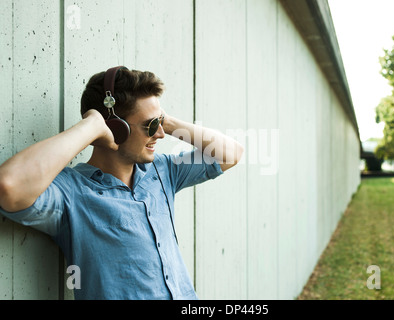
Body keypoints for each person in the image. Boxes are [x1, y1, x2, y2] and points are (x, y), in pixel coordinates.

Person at [0, 66, 244, 300]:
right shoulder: (72, 193)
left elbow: (231, 153)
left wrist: (164, 120)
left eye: (159, 124)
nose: (160, 134)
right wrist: (91, 127)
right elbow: (9, 185)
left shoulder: (161, 171)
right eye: (151, 126)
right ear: (116, 128)